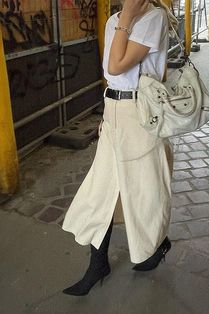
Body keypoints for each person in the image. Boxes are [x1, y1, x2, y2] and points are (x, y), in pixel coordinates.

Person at [62, 0, 178, 296]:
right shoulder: (113, 19)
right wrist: (123, 16)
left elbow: (116, 65)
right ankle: (97, 264)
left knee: (145, 190)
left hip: (141, 114)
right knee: (101, 190)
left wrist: (127, 14)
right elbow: (110, 74)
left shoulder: (153, 17)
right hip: (113, 109)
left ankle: (157, 241)